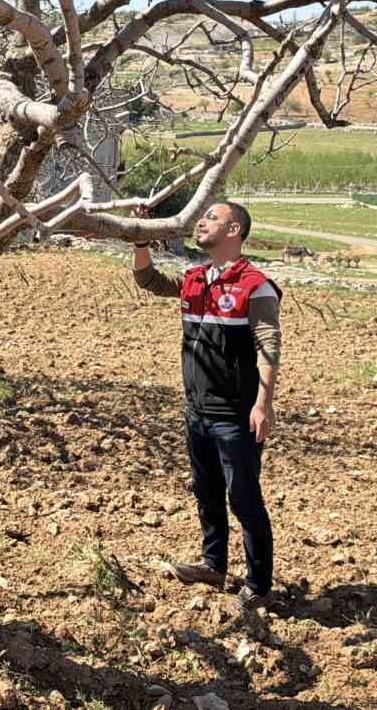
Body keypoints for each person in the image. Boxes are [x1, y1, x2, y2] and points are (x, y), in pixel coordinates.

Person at [131, 202, 282, 617]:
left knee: (244, 500)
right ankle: (214, 565)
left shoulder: (256, 286)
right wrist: (140, 238)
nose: (201, 221)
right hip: (197, 409)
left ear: (234, 230)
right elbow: (147, 279)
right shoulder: (196, 278)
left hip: (235, 414)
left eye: (212, 217)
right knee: (206, 490)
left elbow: (269, 346)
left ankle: (259, 586)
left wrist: (263, 403)